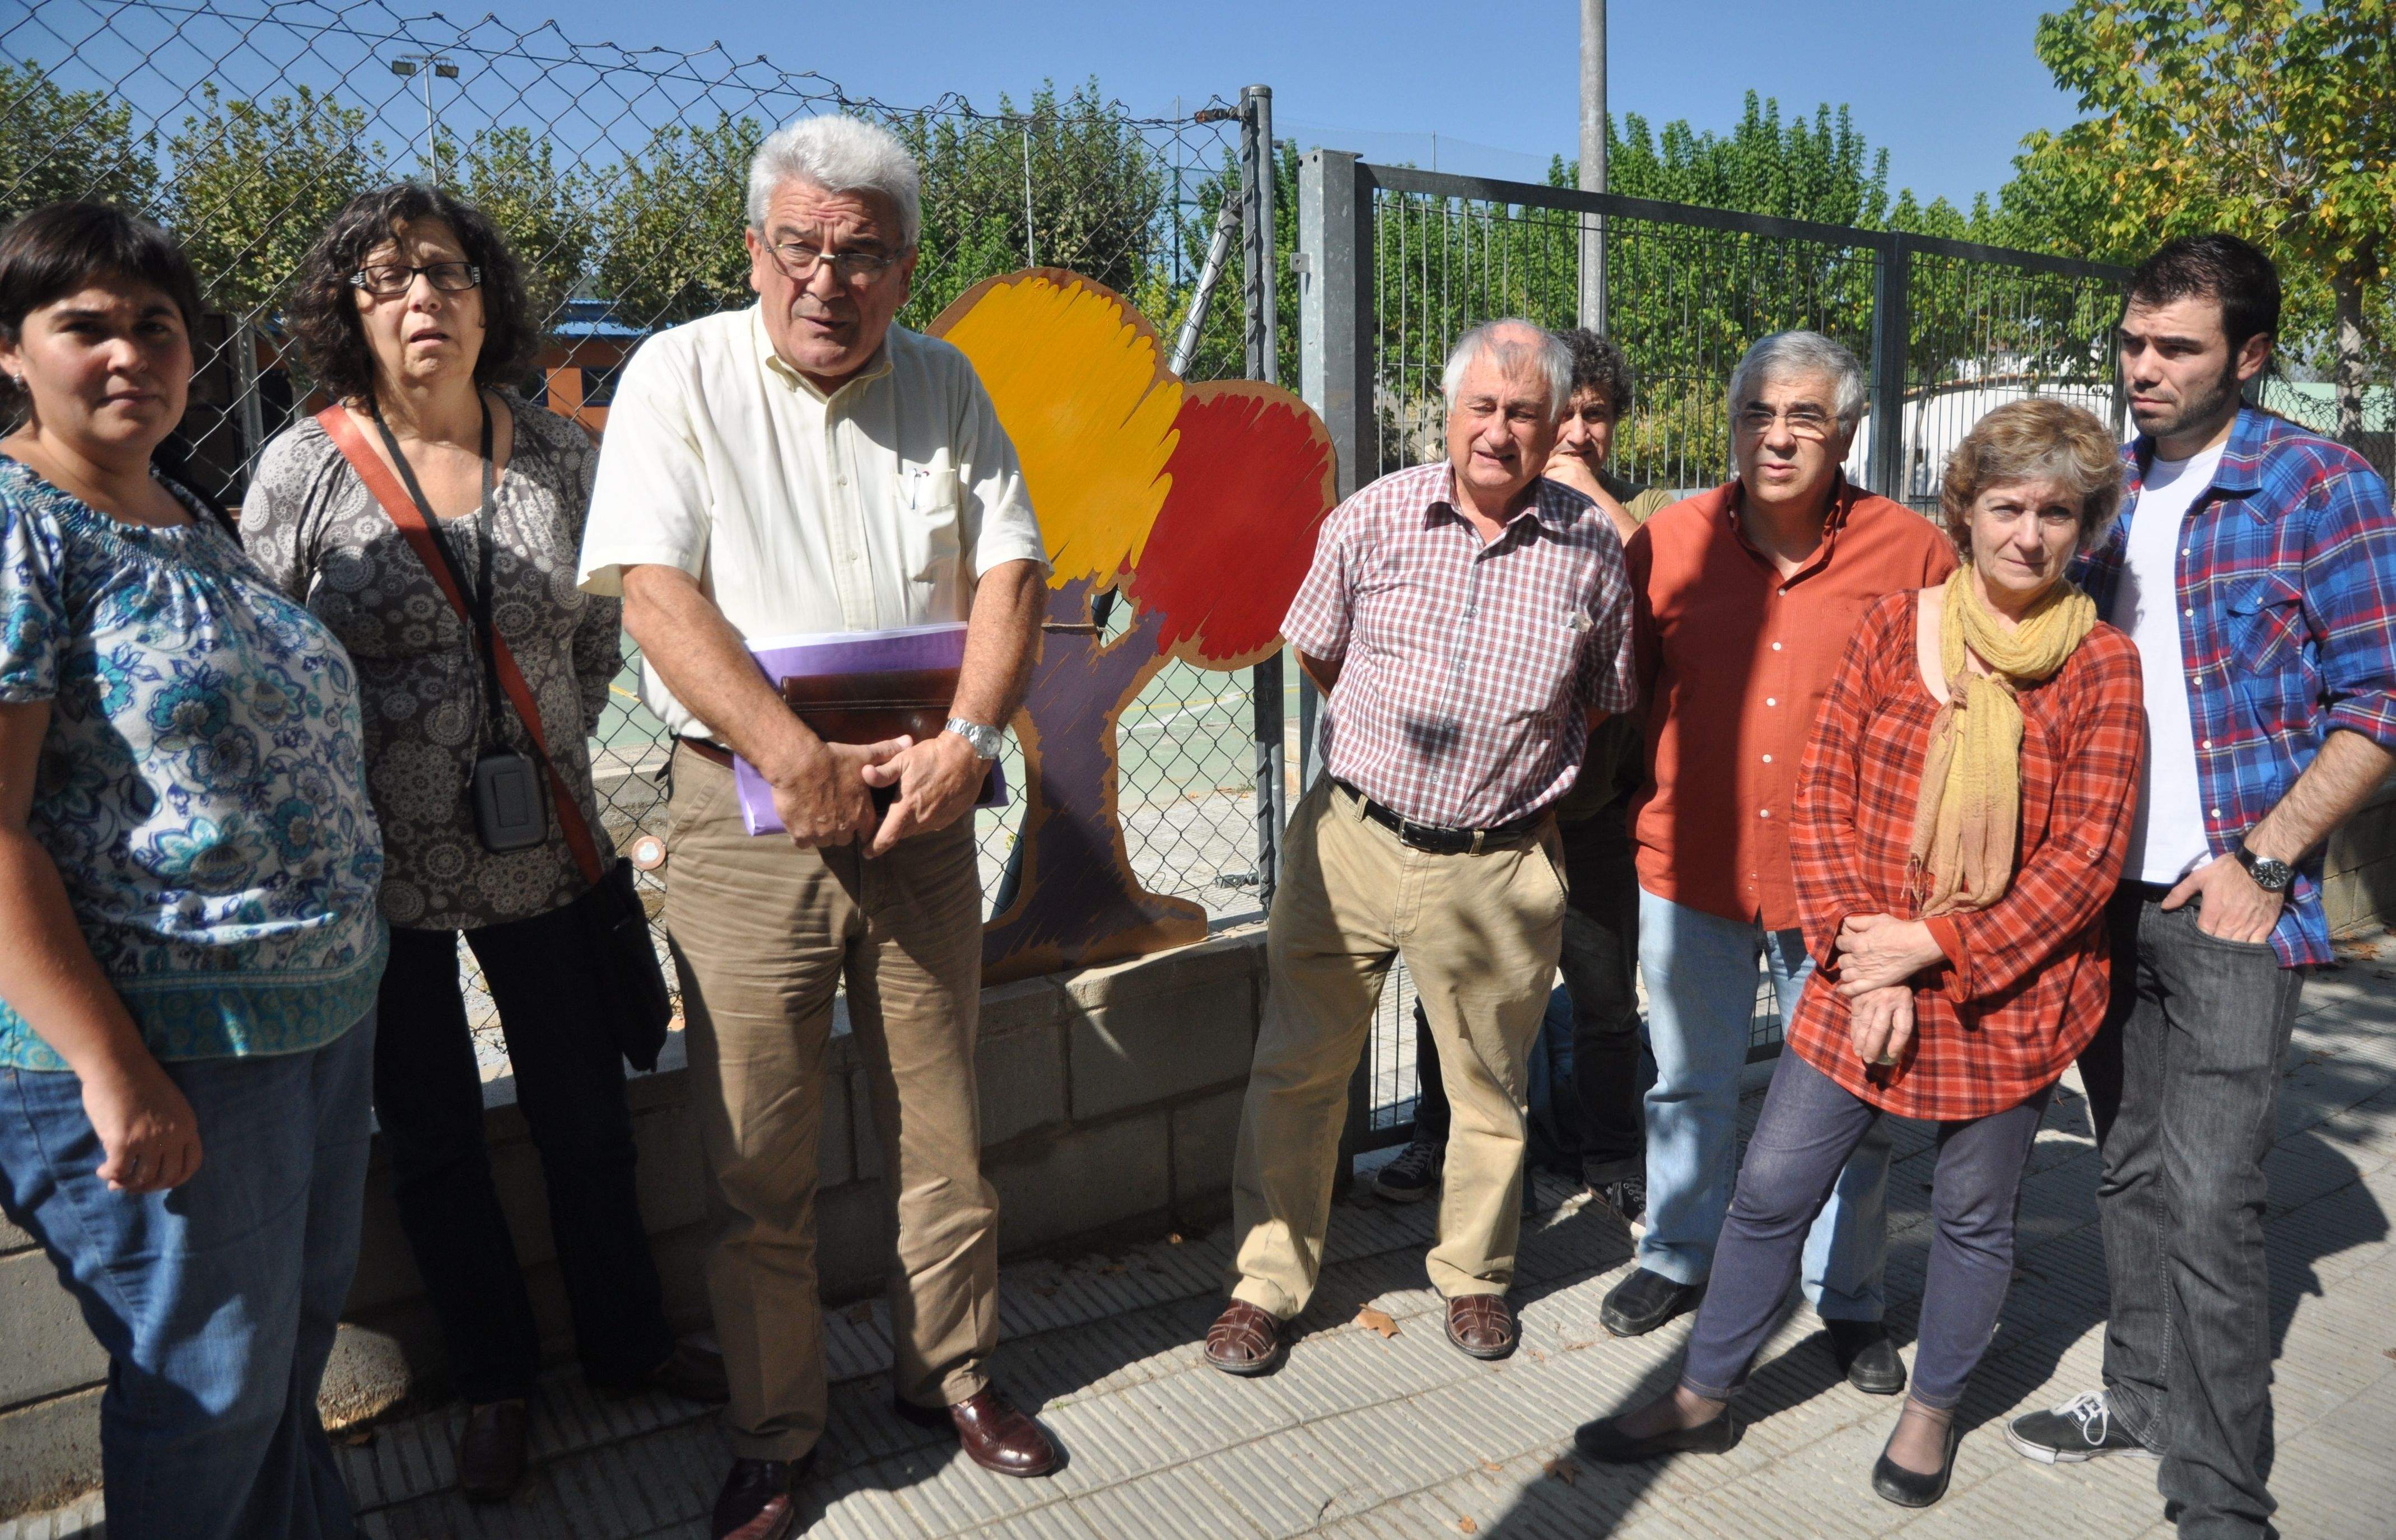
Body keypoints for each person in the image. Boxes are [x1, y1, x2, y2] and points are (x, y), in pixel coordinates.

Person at [575, 115, 1052, 1540]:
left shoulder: (952, 383)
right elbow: (654, 590)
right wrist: (794, 756)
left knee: (946, 1126)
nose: (827, 279)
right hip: (744, 816)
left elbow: (1014, 572)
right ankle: (778, 1429)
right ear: (754, 249)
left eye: (862, 254)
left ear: (906, 269)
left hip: (923, 808)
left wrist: (971, 742)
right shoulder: (680, 375)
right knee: (756, 1143)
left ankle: (950, 1376)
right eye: (800, 247)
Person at [242, 183, 721, 1504]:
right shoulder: (301, 471)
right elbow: (274, 670)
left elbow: (594, 635)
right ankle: (497, 1379)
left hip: (547, 854)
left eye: (444, 273)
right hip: (376, 878)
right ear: (350, 308)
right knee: (437, 1138)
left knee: (587, 1117)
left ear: (485, 295)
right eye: (387, 279)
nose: (421, 301)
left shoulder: (560, 455)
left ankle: (624, 1341)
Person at [1577, 400, 2141, 1509]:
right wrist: (1851, 960)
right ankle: (1702, 1394)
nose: (2029, 535)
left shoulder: (2104, 670)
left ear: (2087, 527)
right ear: (1966, 511)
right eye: (2006, 507)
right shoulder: (1896, 626)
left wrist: (1931, 947)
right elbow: (1821, 799)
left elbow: (2083, 862)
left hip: (2009, 993)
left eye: (2057, 514)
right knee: (1772, 1188)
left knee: (1977, 1216)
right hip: (1856, 963)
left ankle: (1933, 1410)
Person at [0, 202, 386, 1538]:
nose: (128, 355)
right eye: (84, 325)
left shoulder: (188, 508)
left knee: (280, 1355)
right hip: (162, 1042)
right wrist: (114, 1068)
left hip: (305, 1020)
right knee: (207, 1387)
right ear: (11, 352)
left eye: (154, 325)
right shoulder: (18, 529)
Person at [2006, 235, 2396, 1540]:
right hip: (2103, 894)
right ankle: (2136, 1395)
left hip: (2232, 900)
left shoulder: (2317, 488)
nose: (2145, 368)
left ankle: (2220, 1500)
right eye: (2132, 342)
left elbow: (2380, 700)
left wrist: (2268, 859)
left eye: (2178, 347)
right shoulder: (2102, 490)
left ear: (2252, 353)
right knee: (2126, 1164)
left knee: (2216, 1196)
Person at [1205, 319, 1637, 1375]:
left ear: (1553, 428)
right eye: (1481, 408)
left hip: (1495, 866)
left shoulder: (1592, 550)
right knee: (1298, 1073)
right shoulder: (1371, 518)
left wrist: (1501, 790)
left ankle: (1476, 1277)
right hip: (1350, 841)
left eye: (1523, 413)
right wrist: (1388, 761)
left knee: (1490, 1089)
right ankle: (1266, 1283)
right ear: (1447, 414)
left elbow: (1603, 703)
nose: (1499, 431)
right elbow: (1319, 649)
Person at [1603, 332, 1957, 1398]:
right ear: (1732, 422)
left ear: (1845, 431)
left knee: (1860, 1107)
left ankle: (1846, 1297)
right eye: (1758, 411)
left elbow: (1949, 715)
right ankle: (1676, 1251)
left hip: (1846, 892)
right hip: (1691, 869)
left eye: (1804, 416)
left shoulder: (1913, 553)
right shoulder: (1669, 542)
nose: (1777, 434)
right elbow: (1620, 696)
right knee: (1689, 1085)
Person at [1376, 328, 1664, 1225]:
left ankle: (1611, 1150)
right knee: (1451, 990)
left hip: (1593, 812)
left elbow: (1661, 610)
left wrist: (1586, 494)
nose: (1580, 432)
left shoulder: (1647, 512)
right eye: (1565, 415)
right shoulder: (1502, 511)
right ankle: (1435, 1132)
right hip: (1493, 816)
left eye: (1597, 416)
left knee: (1606, 997)